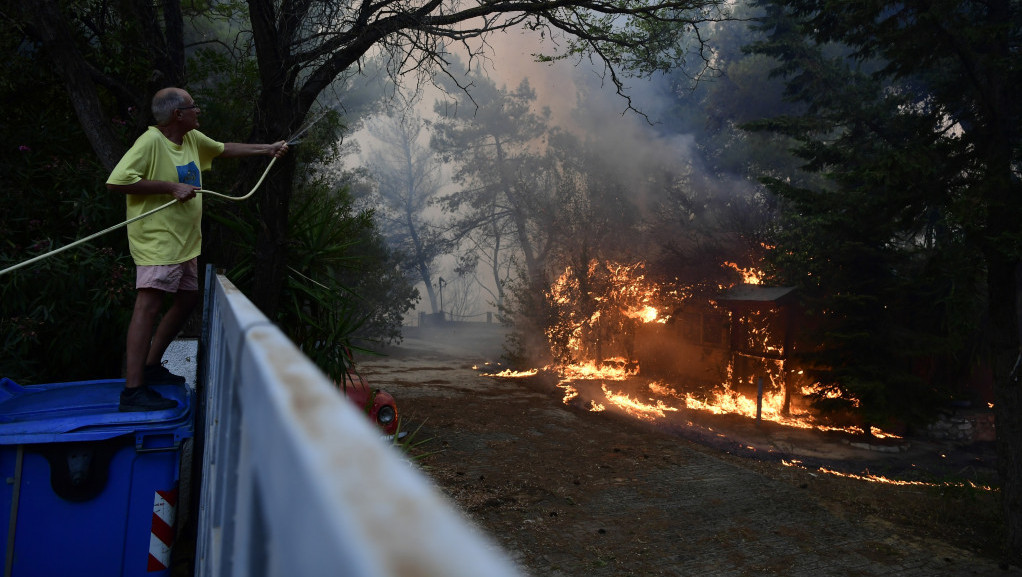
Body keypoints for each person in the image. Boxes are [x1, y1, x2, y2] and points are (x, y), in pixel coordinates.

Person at [107, 87, 288, 411]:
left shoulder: (191, 139)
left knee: (188, 297)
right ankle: (133, 391)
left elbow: (223, 149)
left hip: (186, 242)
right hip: (158, 240)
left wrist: (267, 149)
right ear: (178, 114)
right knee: (147, 306)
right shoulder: (151, 142)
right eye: (193, 107)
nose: (198, 111)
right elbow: (117, 181)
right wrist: (169, 187)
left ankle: (151, 367)